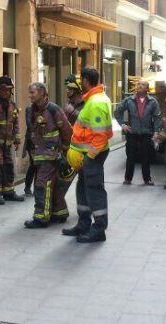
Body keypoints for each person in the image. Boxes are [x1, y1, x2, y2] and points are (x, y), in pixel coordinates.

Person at [63, 67, 113, 243]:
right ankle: (83, 224)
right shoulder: (94, 99)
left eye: (80, 81)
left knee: (94, 190)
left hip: (92, 154)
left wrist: (90, 157)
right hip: (87, 154)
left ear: (85, 81)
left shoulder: (96, 102)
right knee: (83, 188)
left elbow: (100, 135)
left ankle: (99, 229)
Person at [23, 82, 73, 228]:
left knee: (42, 184)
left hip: (50, 156)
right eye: (29, 92)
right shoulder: (31, 110)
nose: (30, 95)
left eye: (33, 92)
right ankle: (59, 213)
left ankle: (41, 217)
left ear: (43, 93)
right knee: (53, 184)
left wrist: (64, 152)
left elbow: (67, 131)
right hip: (38, 156)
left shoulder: (53, 109)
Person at [113, 79, 162, 186]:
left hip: (146, 133)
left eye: (142, 84)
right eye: (139, 84)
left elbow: (157, 117)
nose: (140, 86)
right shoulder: (129, 100)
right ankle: (128, 179)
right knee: (130, 157)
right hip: (132, 133)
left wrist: (156, 132)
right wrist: (122, 124)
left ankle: (147, 179)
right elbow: (117, 112)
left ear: (147, 88)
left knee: (146, 157)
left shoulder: (152, 101)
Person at [0, 76, 24, 204]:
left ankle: (8, 191)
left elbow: (15, 123)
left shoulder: (13, 105)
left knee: (8, 166)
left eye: (9, 90)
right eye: (4, 90)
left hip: (7, 144)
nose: (6, 93)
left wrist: (17, 138)